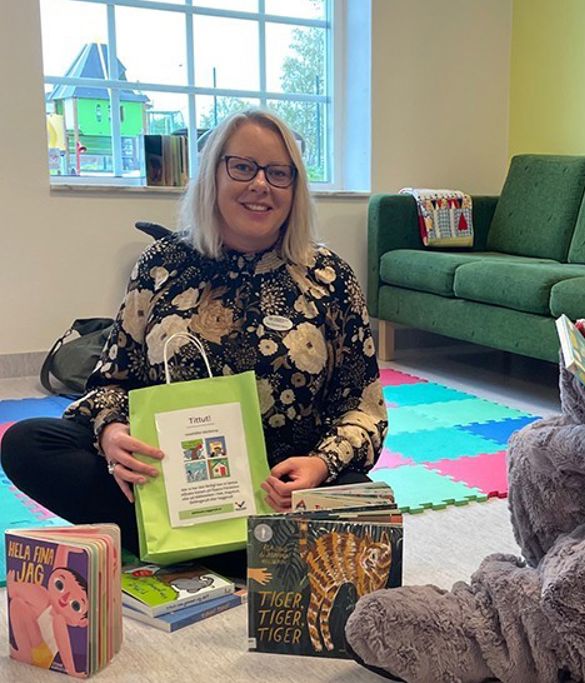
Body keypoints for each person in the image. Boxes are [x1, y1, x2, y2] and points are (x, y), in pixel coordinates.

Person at [1, 110, 388, 576]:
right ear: (213, 174)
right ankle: (246, 554)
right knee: (27, 443)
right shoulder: (162, 264)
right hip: (170, 483)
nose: (261, 184)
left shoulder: (330, 277)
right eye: (243, 167)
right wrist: (112, 434)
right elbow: (110, 380)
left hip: (282, 492)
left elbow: (363, 410)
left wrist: (320, 466)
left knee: (360, 495)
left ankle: (198, 548)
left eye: (279, 173)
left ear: (296, 187)